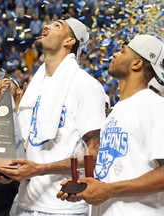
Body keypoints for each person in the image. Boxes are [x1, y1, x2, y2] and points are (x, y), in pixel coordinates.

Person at [0, 15, 106, 215]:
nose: (47, 25)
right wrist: (9, 171)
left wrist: (39, 169)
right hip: (25, 202)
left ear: (70, 41)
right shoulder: (37, 84)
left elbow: (95, 155)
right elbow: (28, 146)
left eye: (57, 25)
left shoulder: (86, 86)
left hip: (62, 207)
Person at [57, 35, 164, 215]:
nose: (114, 55)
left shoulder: (155, 106)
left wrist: (109, 190)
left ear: (137, 64)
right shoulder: (117, 111)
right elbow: (117, 170)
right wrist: (88, 188)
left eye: (122, 51)